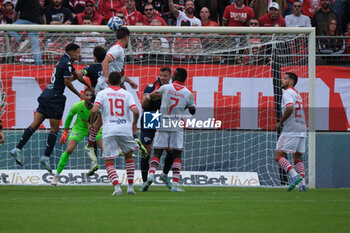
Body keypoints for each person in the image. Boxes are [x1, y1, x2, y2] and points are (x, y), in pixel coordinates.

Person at [10, 43, 92, 173]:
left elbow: (75, 75)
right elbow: (67, 81)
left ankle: (18, 148)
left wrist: (88, 84)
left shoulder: (63, 60)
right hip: (55, 97)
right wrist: (79, 94)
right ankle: (46, 157)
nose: (79, 54)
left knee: (35, 124)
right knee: (54, 128)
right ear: (72, 52)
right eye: (77, 52)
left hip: (46, 94)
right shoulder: (67, 62)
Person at [85, 27, 144, 161]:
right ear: (127, 37)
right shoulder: (117, 49)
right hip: (106, 85)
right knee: (122, 111)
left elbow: (118, 70)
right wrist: (107, 77)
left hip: (111, 83)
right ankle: (130, 139)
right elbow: (105, 62)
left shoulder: (118, 49)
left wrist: (128, 81)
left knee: (104, 117)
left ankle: (91, 144)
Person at [143, 68, 196, 192]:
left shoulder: (165, 88)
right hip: (176, 124)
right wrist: (187, 106)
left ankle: (151, 175)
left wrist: (150, 96)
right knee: (177, 154)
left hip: (161, 121)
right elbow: (193, 111)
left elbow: (153, 96)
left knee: (157, 152)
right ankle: (175, 184)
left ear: (174, 77)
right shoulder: (188, 93)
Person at [91, 71, 139, 196]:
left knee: (109, 161)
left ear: (108, 81)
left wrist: (91, 123)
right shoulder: (127, 94)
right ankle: (130, 187)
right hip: (125, 129)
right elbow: (136, 111)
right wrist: (134, 124)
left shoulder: (102, 93)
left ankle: (117, 187)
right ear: (120, 81)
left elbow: (94, 110)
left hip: (109, 130)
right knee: (129, 157)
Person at [51, 89, 103, 186]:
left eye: (91, 95)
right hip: (79, 128)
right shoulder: (78, 106)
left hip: (94, 127)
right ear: (83, 96)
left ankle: (114, 178)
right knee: (69, 149)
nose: (89, 97)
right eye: (86, 95)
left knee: (105, 150)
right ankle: (56, 175)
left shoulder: (98, 107)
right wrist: (65, 132)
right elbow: (69, 117)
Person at [140, 67, 174, 191]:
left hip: (166, 119)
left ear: (170, 76)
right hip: (151, 117)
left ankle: (164, 174)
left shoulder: (173, 90)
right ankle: (145, 182)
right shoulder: (151, 87)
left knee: (170, 149)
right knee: (146, 151)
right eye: (161, 75)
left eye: (165, 76)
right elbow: (143, 104)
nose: (162, 78)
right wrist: (150, 96)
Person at [275, 72, 307, 192]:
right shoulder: (297, 94)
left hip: (291, 128)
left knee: (278, 156)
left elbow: (289, 107)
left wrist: (281, 122)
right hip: (302, 127)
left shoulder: (287, 93)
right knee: (297, 157)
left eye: (285, 78)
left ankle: (294, 176)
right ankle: (303, 184)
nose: (282, 80)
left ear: (292, 81)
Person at [7, 0, 43, 65]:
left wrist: (13, 22)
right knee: (35, 46)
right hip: (34, 23)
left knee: (8, 29)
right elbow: (41, 13)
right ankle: (39, 65)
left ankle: (22, 39)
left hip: (23, 21)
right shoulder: (36, 1)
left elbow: (16, 11)